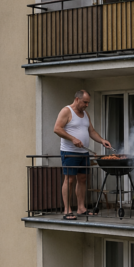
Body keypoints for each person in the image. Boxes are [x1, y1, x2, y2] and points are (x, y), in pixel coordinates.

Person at [53, 90, 112, 220]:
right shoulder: (66, 111)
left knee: (83, 179)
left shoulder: (85, 114)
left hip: (84, 152)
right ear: (77, 99)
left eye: (88, 102)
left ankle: (81, 208)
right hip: (69, 153)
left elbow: (91, 131)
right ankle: (67, 210)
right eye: (85, 102)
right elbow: (57, 129)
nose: (87, 105)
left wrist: (102, 140)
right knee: (69, 180)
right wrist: (72, 138)